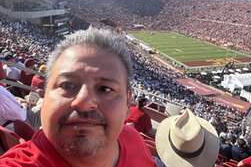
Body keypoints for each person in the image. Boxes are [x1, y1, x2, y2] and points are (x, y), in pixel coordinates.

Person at [0, 28, 155, 167]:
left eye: (105, 89)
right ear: (44, 93)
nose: (84, 102)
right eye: (67, 85)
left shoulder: (134, 140)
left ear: (128, 103)